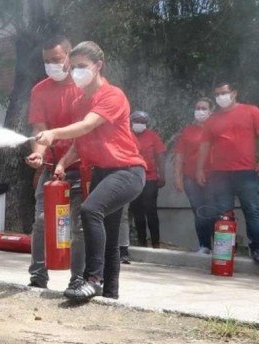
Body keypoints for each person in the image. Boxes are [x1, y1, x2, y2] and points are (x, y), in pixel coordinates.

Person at [35, 41, 146, 301]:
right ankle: (110, 297)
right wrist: (62, 163)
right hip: (102, 173)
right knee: (109, 240)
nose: (76, 72)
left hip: (127, 171)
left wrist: (52, 133)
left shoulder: (112, 95)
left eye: (82, 67)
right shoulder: (79, 101)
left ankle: (92, 279)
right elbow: (80, 143)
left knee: (90, 210)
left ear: (98, 66)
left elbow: (87, 126)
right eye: (72, 67)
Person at [24, 36, 85, 290]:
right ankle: (38, 276)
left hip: (81, 167)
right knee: (41, 220)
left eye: (57, 60)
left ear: (69, 57)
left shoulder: (85, 88)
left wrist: (64, 160)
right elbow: (40, 129)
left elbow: (85, 131)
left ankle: (78, 278)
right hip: (51, 170)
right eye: (47, 61)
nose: (52, 65)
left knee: (80, 226)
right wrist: (38, 154)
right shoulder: (39, 90)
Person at [197, 81, 259, 264]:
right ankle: (227, 250)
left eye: (224, 93)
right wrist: (199, 168)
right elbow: (205, 146)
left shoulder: (251, 111)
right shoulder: (212, 120)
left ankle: (258, 248)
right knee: (224, 213)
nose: (221, 97)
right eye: (217, 94)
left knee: (251, 209)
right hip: (220, 173)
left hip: (245, 170)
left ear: (234, 93)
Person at [174, 97, 215, 254]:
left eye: (204, 108)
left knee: (213, 211)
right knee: (199, 211)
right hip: (190, 177)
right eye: (198, 108)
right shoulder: (188, 130)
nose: (200, 111)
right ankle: (204, 245)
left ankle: (220, 245)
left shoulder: (216, 130)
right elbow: (179, 155)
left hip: (213, 177)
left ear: (211, 111)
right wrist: (177, 177)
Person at [128, 111, 166, 248]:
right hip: (133, 178)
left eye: (143, 122)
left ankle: (156, 243)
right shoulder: (127, 135)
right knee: (137, 211)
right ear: (131, 122)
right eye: (137, 121)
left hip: (150, 178)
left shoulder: (152, 136)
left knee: (151, 210)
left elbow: (160, 156)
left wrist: (162, 174)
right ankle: (141, 242)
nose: (139, 124)